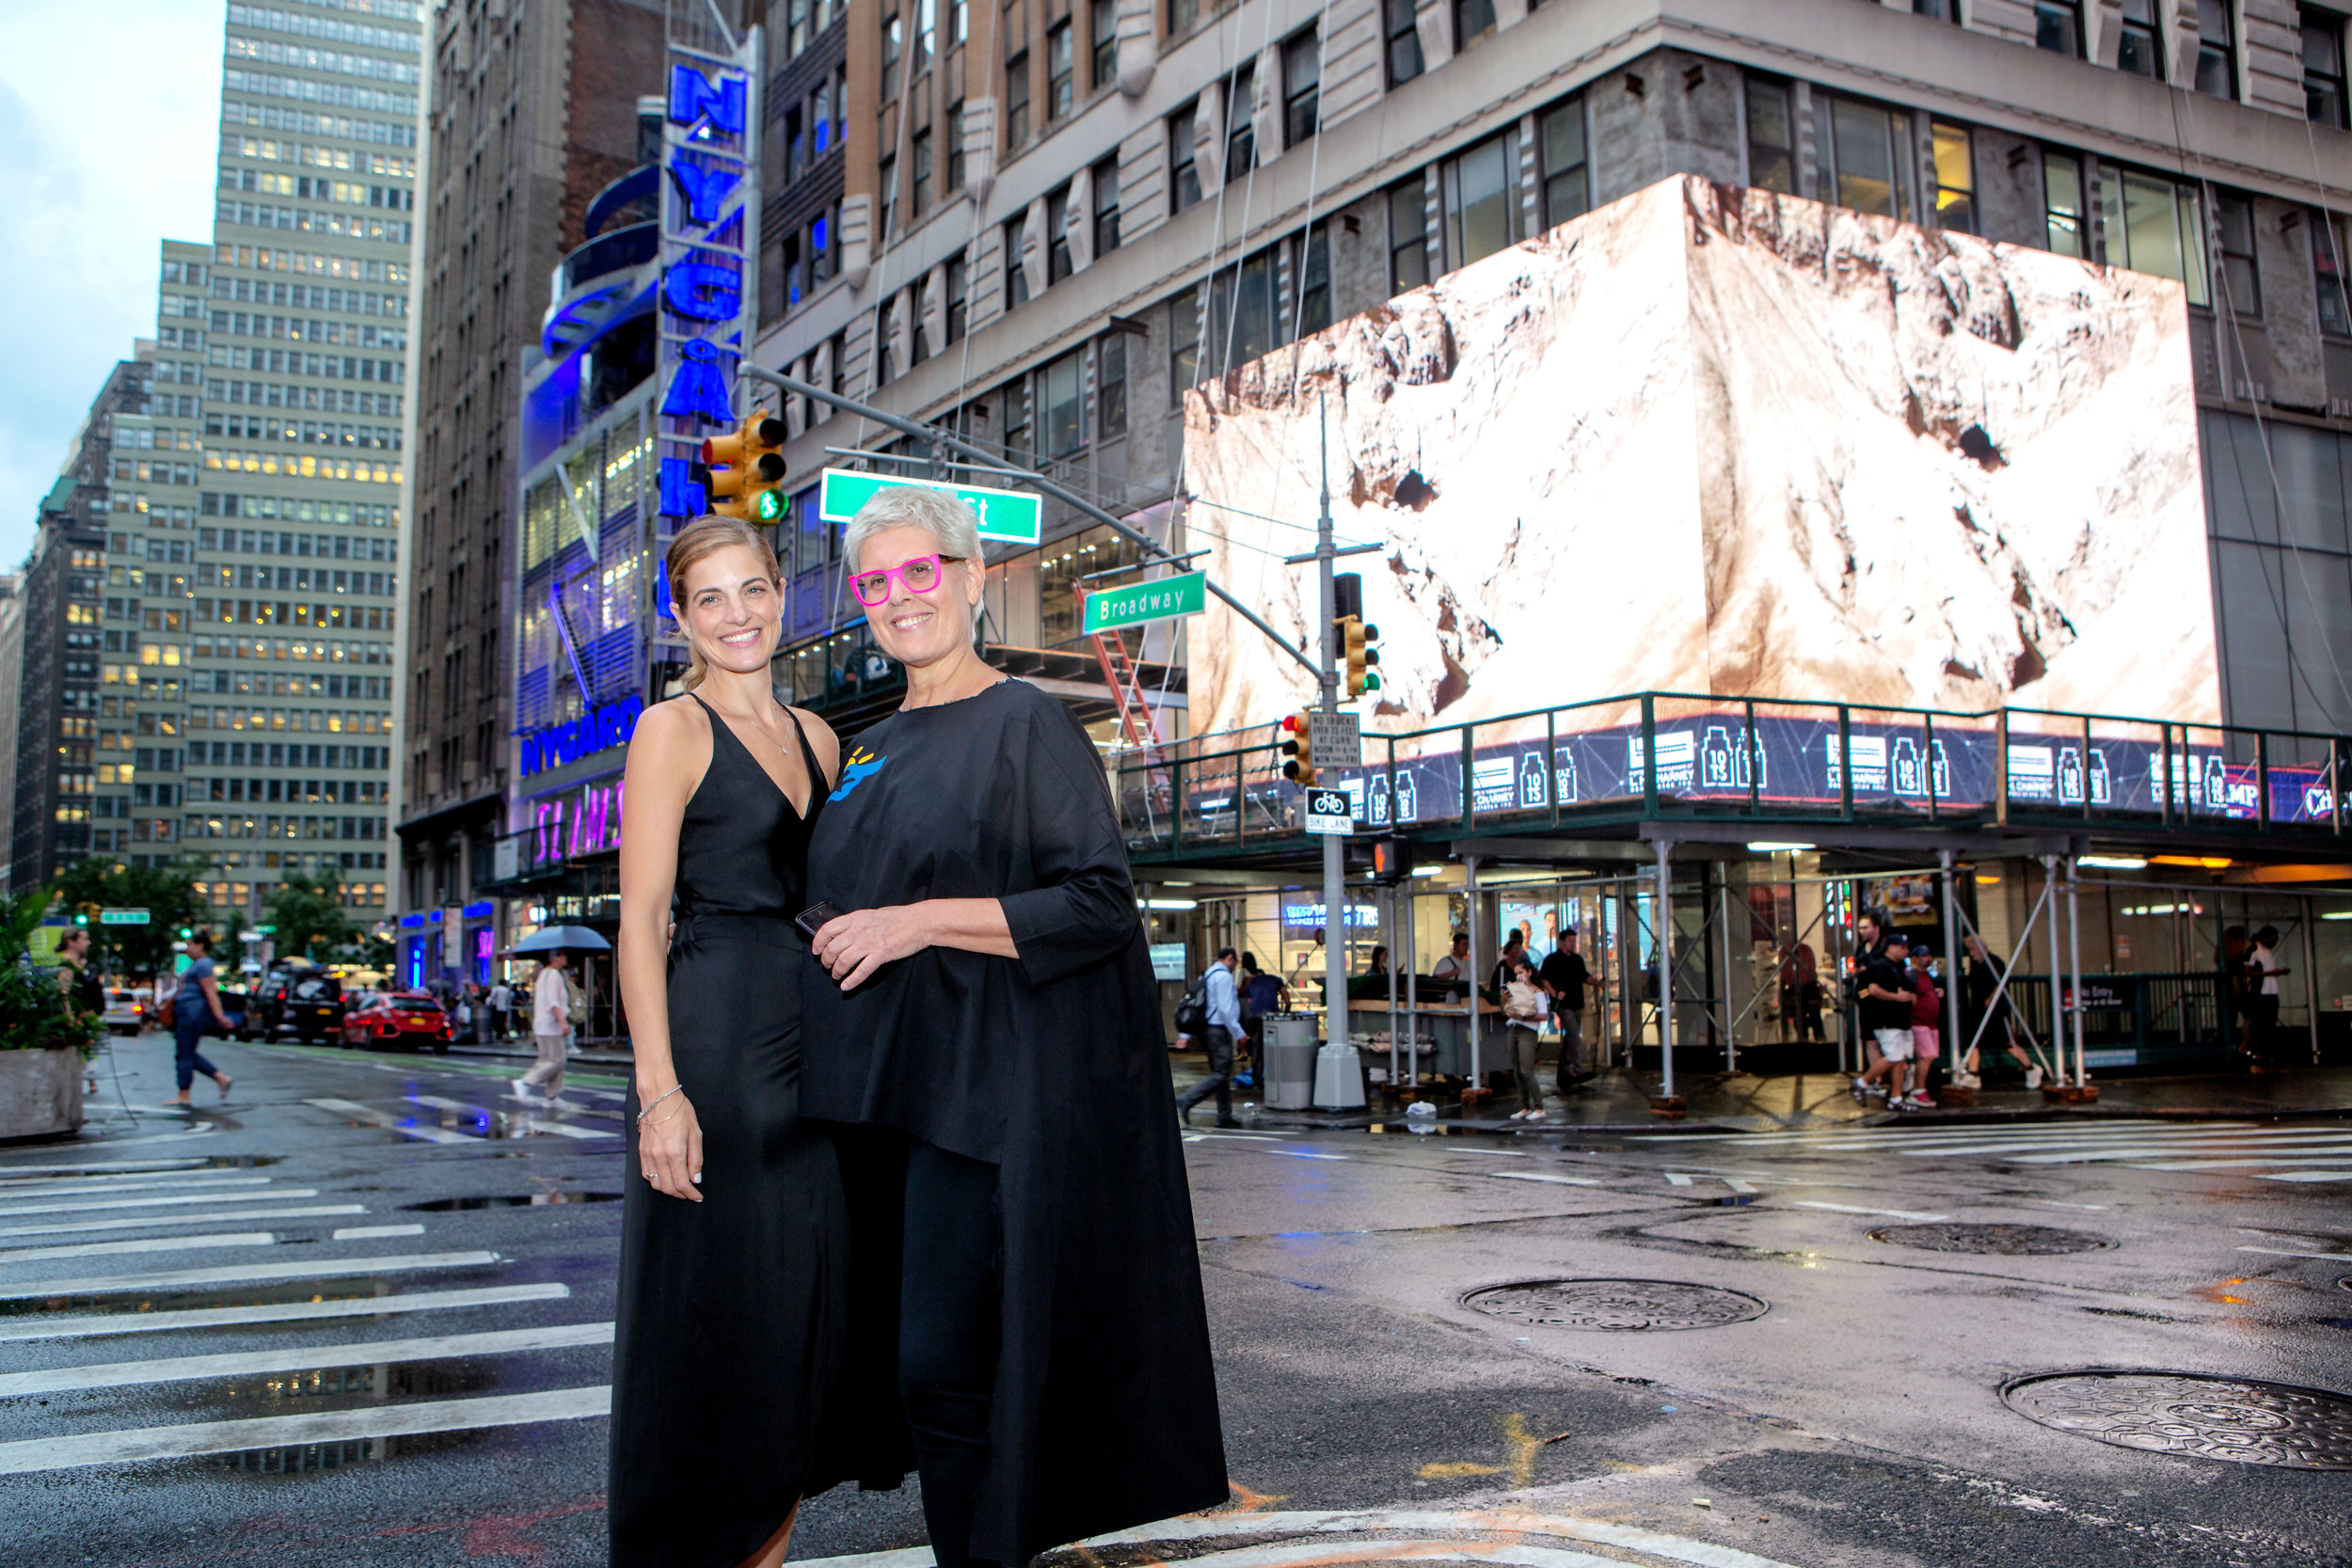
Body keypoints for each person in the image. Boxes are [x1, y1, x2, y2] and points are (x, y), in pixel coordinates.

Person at [802, 485, 1226, 1568]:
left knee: (950, 1369)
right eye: (877, 581)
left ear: (971, 578)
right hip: (884, 1110)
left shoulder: (1028, 720)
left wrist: (915, 923)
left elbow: (1096, 904)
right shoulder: (867, 747)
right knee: (916, 1377)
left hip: (985, 1107)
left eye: (921, 570)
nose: (901, 596)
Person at [607, 514, 850, 1568]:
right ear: (681, 616)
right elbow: (640, 919)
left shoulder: (822, 736)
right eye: (711, 597)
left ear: (781, 593)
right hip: (711, 1047)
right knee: (713, 1328)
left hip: (814, 1056)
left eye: (752, 588)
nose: (737, 613)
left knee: (800, 1327)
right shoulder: (673, 728)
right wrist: (659, 1092)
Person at [1956, 934, 2042, 1088]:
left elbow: (2001, 983)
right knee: (1973, 1041)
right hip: (1978, 1011)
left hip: (1996, 1011)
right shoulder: (1975, 965)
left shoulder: (1995, 963)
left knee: (2010, 1044)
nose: (1971, 953)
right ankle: (1973, 1074)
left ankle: (2031, 1068)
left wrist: (1992, 998)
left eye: (1973, 949)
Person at [1177, 947, 1247, 1127]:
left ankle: (1224, 1116)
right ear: (1230, 959)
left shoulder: (1206, 975)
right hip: (1218, 1031)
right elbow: (1225, 1008)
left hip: (1206, 1031)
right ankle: (1186, 1099)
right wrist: (1239, 1033)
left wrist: (1185, 1034)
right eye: (1235, 962)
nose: (1234, 966)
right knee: (1221, 1073)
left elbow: (1195, 1005)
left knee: (1221, 1073)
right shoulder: (1223, 977)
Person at [167, 934, 233, 1108]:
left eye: (190, 945)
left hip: (192, 1013)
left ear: (201, 946)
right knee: (185, 1051)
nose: (187, 949)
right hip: (188, 1012)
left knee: (184, 1052)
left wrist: (219, 1016)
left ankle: (184, 1094)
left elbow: (210, 992)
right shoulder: (197, 965)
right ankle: (220, 1078)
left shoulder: (203, 965)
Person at [1851, 932, 1914, 1104]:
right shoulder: (1881, 966)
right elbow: (1873, 989)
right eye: (1902, 947)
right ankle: (1862, 1082)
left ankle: (1896, 1098)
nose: (1905, 951)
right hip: (1887, 1019)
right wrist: (1896, 997)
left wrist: (1909, 997)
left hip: (1900, 1019)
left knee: (1900, 1058)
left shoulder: (1898, 967)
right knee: (1894, 1057)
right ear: (1891, 947)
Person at [1541, 928, 1593, 1091]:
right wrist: (1555, 993)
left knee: (1570, 1039)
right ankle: (1577, 1069)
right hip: (1564, 1005)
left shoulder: (1577, 959)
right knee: (1573, 1036)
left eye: (1574, 940)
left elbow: (1585, 977)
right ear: (1562, 941)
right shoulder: (1552, 959)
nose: (1573, 943)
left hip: (1578, 1003)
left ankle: (1562, 1072)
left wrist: (1597, 982)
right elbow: (1544, 979)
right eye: (1570, 940)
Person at [518, 953, 572, 1101]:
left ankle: (552, 1095)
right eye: (563, 955)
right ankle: (527, 1081)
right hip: (551, 1024)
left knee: (549, 1059)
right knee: (557, 1060)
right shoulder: (554, 975)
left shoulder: (543, 974)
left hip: (542, 1023)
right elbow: (554, 1001)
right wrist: (562, 1021)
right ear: (556, 958)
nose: (566, 958)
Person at [1502, 956, 1549, 1120]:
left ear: (1529, 973)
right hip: (1513, 1028)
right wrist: (1504, 1000)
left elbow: (1543, 1015)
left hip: (1527, 1031)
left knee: (1526, 1070)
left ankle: (1538, 1107)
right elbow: (1504, 1011)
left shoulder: (1537, 992)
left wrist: (1524, 1018)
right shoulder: (1514, 990)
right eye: (1516, 973)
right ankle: (1524, 1106)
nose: (1518, 976)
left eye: (1521, 972)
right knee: (1517, 1071)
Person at [1903, 943, 1941, 1110]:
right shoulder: (1911, 976)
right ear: (1915, 958)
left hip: (1930, 1022)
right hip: (1918, 1022)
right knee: (1926, 1056)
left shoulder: (1926, 976)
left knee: (1929, 1056)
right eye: (1924, 956)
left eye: (1928, 955)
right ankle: (1918, 1090)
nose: (1928, 959)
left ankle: (1917, 1087)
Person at [2249, 925, 2289, 1068]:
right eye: (2273, 939)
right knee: (2262, 1026)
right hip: (2261, 993)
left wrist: (2275, 972)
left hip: (2271, 992)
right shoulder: (2253, 950)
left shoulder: (2267, 951)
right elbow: (2247, 971)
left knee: (2270, 1026)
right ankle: (2261, 1056)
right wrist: (2269, 974)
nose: (2274, 942)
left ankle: (2269, 1056)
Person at [55, 927, 103, 1029]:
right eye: (85, 939)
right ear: (71, 942)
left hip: (88, 1021)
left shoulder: (83, 965)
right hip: (79, 1024)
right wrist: (71, 1022)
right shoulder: (67, 967)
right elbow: (64, 996)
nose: (88, 943)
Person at [487, 975, 514, 1041]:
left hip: (497, 1007)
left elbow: (491, 997)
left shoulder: (496, 989)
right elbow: (509, 999)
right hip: (504, 1008)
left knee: (497, 1021)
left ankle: (500, 1033)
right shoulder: (507, 990)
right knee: (501, 1021)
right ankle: (501, 1033)